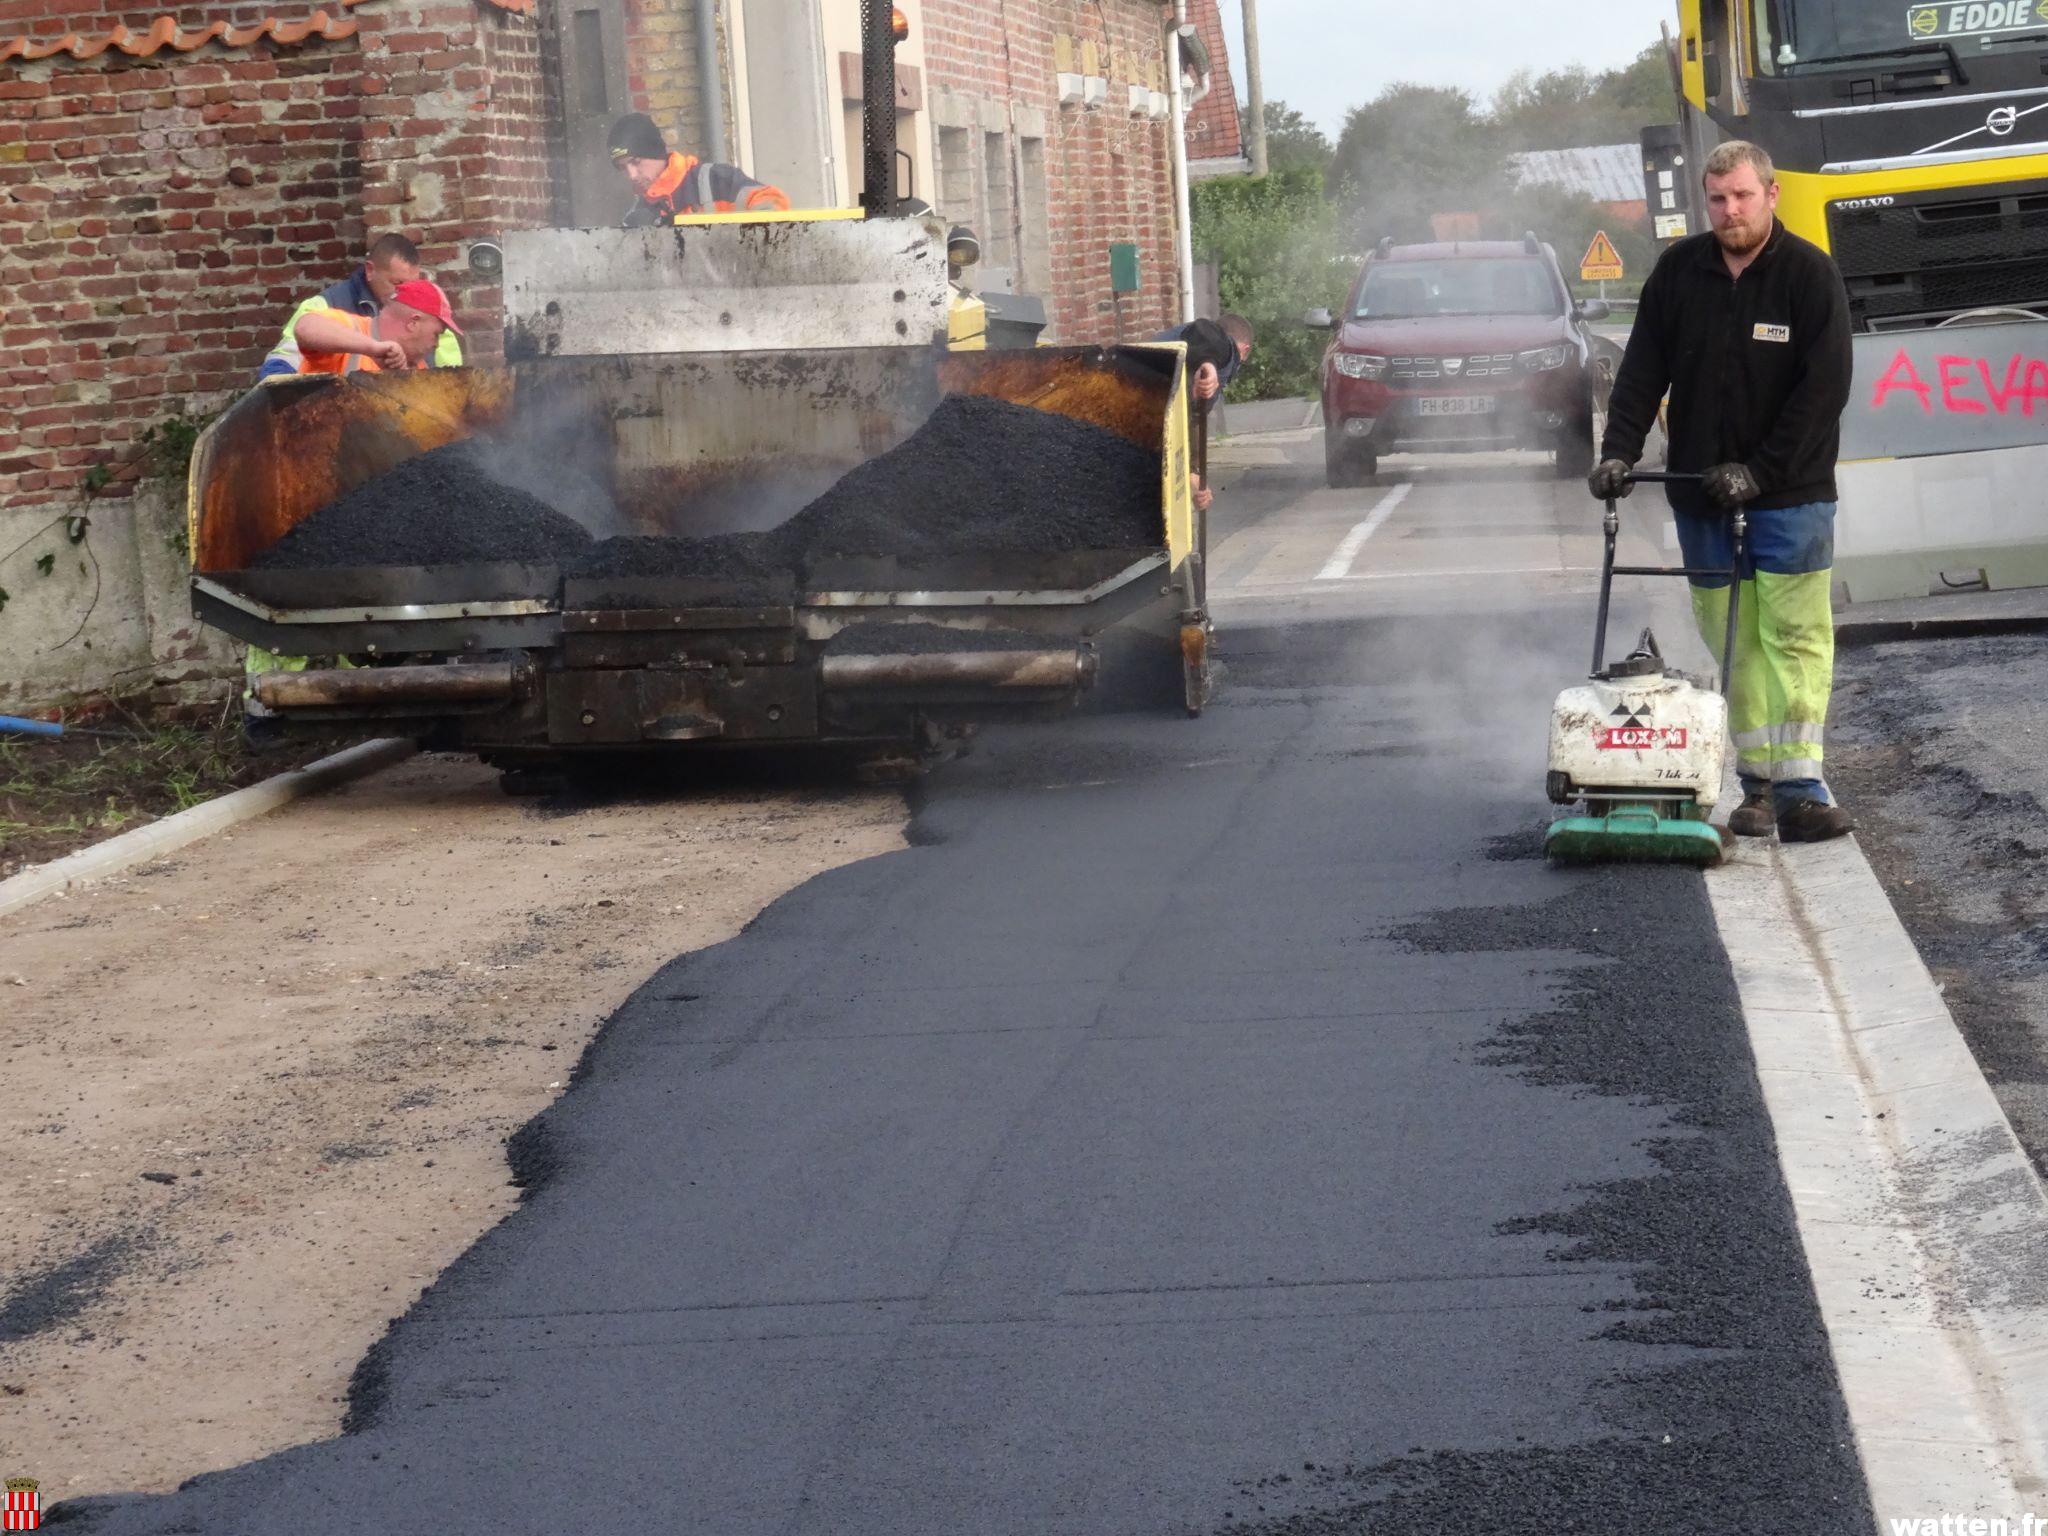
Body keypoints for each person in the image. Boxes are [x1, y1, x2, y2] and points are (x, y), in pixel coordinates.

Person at [1592, 140, 1855, 844]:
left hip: (1792, 496)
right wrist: (1618, 453)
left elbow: (1823, 392)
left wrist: (1761, 471)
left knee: (1794, 636)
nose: (1729, 210)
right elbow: (1642, 370)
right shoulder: (1680, 273)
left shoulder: (1808, 275)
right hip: (1701, 494)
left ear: (1771, 193)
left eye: (1741, 196)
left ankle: (1802, 785)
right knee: (1733, 638)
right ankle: (1758, 785)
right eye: (1717, 199)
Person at [258, 234, 463, 379]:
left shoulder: (432, 325)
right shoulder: (329, 307)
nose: (404, 293)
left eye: (412, 286)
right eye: (398, 284)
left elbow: (451, 388)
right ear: (370, 270)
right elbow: (303, 332)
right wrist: (372, 348)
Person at [606, 112, 789, 227]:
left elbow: (773, 202)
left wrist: (745, 243)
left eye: (636, 162)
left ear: (656, 152)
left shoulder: (716, 181)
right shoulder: (638, 216)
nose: (631, 175)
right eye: (622, 168)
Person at [1152, 313, 1254, 511]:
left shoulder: (1174, 341)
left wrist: (1194, 473)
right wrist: (1209, 363)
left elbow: (1193, 419)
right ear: (1245, 349)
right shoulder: (1226, 349)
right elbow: (1208, 335)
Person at [290, 278, 462, 375]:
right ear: (413, 323)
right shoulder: (351, 327)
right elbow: (305, 327)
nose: (437, 344)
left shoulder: (418, 368)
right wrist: (373, 348)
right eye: (436, 334)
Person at [1153, 312, 1254, 404]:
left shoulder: (1187, 332)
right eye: (1240, 362)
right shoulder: (1230, 349)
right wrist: (1208, 362)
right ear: (1245, 349)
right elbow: (1212, 340)